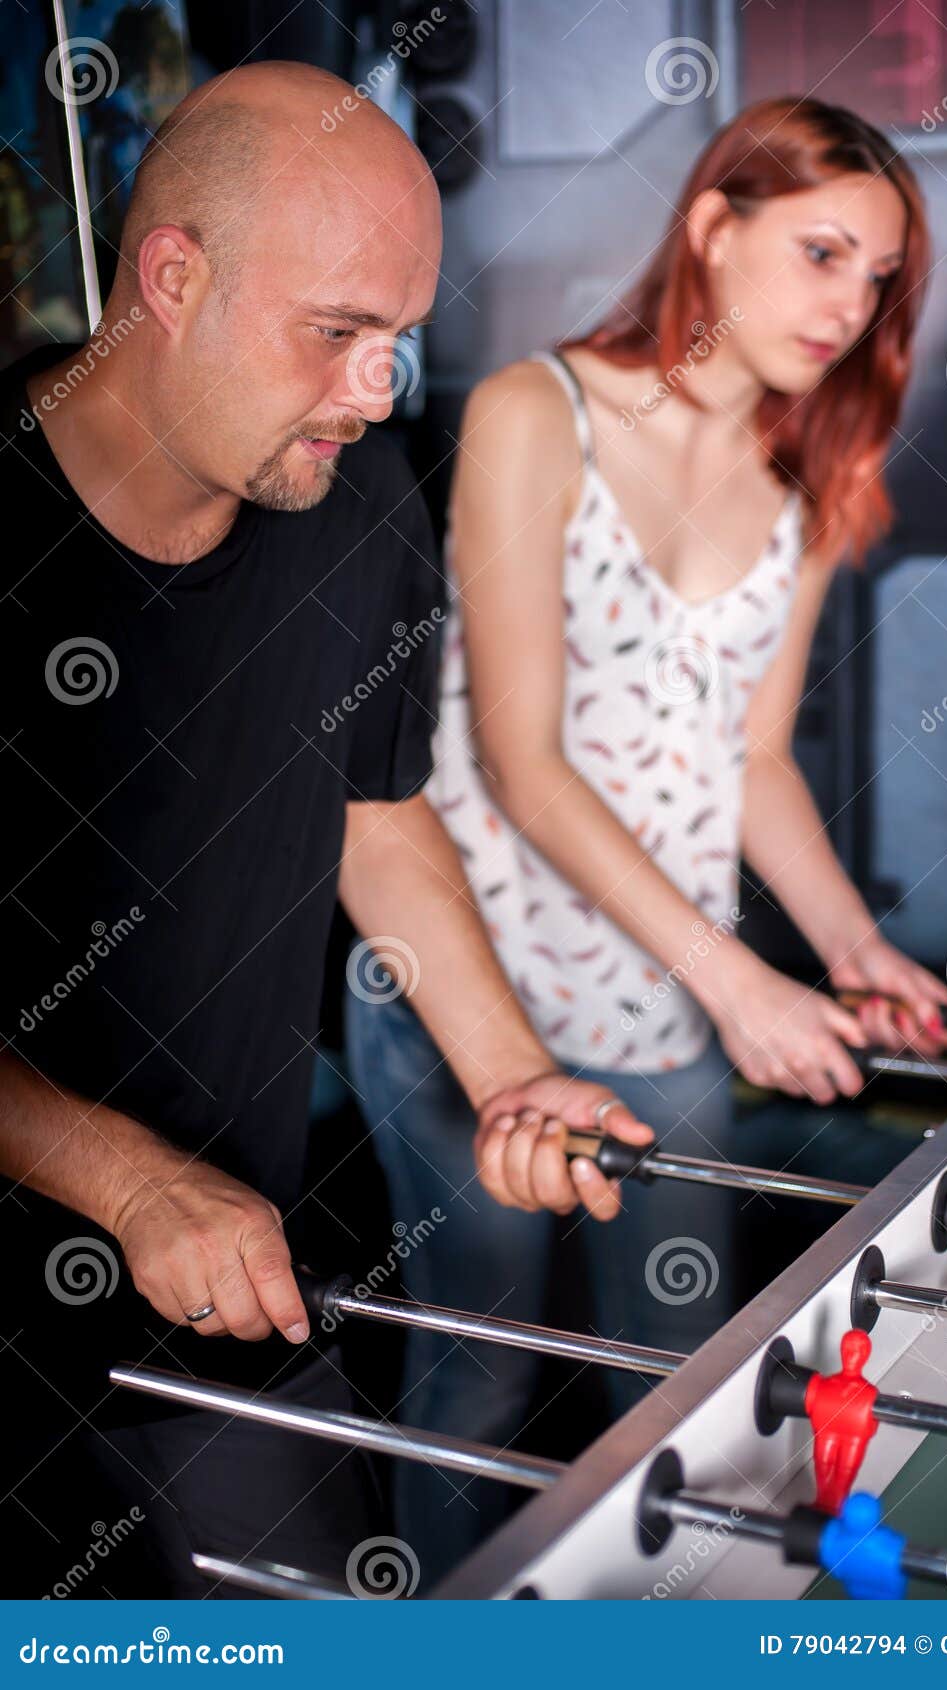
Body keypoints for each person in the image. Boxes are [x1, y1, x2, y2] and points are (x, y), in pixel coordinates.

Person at [0, 60, 655, 1599]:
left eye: (399, 340)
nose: (377, 392)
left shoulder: (350, 514)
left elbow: (378, 814)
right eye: (337, 334)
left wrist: (505, 1068)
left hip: (228, 1301)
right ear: (172, 278)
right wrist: (126, 1180)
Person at [345, 97, 947, 1583]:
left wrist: (841, 945)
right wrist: (745, 982)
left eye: (876, 277)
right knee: (479, 1380)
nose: (851, 303)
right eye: (822, 251)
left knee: (682, 1393)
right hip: (467, 1002)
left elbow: (752, 761)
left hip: (659, 1007)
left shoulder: (803, 480)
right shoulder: (529, 413)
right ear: (711, 226)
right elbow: (521, 756)